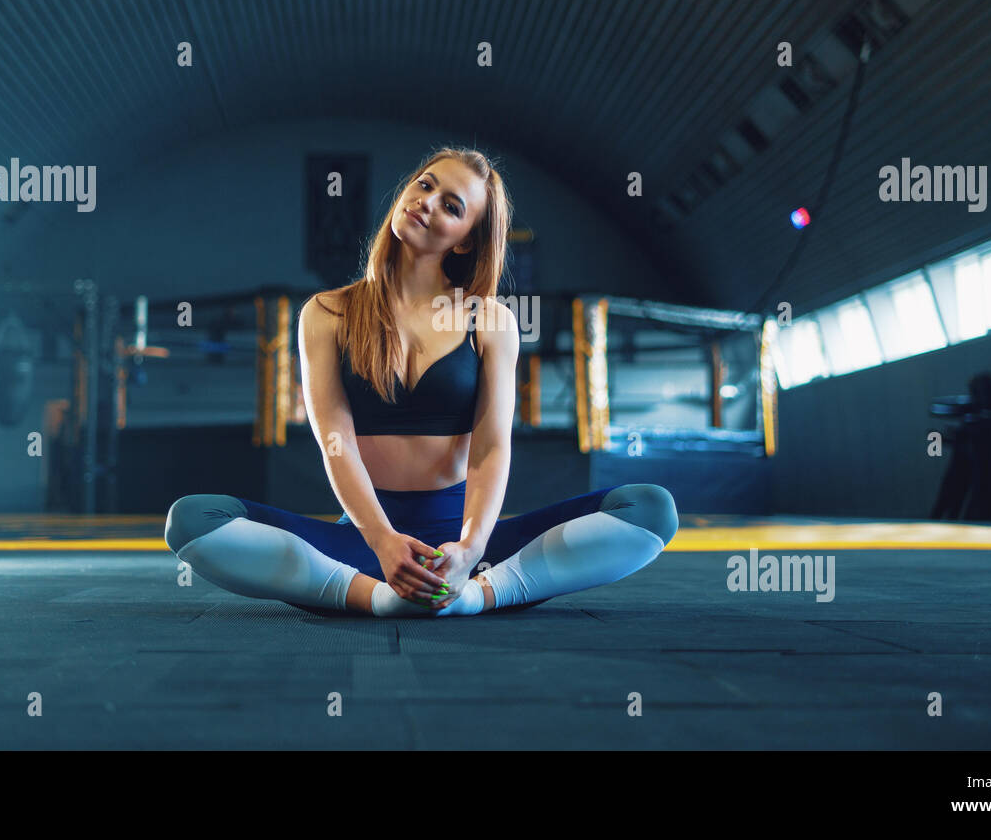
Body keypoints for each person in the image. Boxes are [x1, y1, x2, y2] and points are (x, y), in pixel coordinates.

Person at [164, 147, 678, 617]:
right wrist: (384, 542)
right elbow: (335, 443)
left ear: (466, 241)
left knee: (650, 508)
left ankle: (477, 593)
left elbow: (491, 448)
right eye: (425, 185)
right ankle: (377, 596)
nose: (427, 203)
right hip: (365, 542)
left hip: (465, 545)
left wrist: (471, 550)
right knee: (192, 520)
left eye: (452, 206)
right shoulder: (325, 313)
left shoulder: (491, 320)